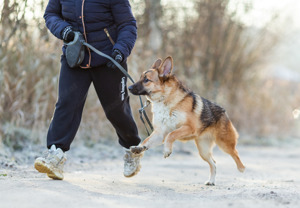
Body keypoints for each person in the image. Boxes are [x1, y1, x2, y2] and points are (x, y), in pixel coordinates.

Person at [34, 0, 143, 180]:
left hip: (109, 58)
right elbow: (51, 14)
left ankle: (132, 148)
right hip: (75, 57)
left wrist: (120, 50)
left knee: (117, 110)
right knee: (66, 104)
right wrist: (64, 30)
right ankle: (55, 155)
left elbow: (127, 24)